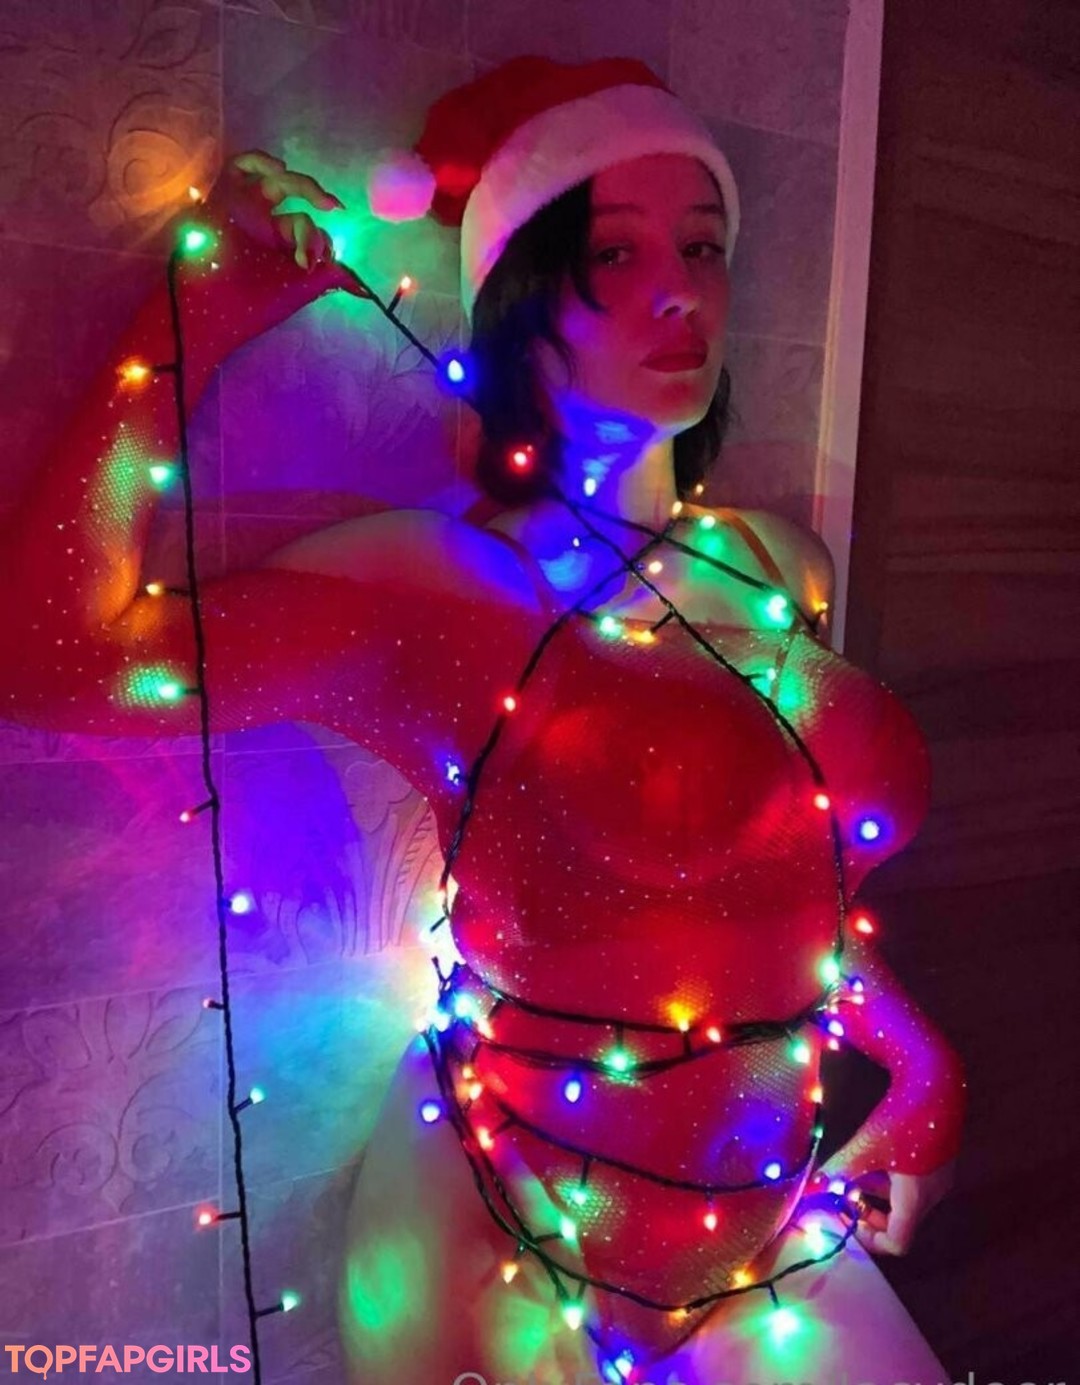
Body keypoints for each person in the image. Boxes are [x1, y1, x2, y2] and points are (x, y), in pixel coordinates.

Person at [0, 54, 965, 1385]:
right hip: (507, 1217)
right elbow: (56, 657)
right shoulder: (447, 591)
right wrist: (191, 324)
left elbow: (778, 887)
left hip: (765, 1225)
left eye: (702, 244)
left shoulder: (775, 568)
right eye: (614, 252)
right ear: (520, 294)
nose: (680, 289)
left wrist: (916, 1067)